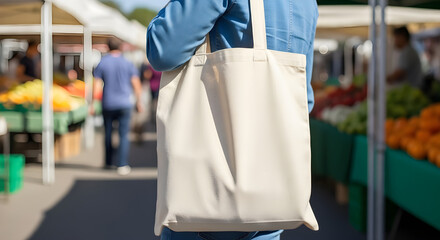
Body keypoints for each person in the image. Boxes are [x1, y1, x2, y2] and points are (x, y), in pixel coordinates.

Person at [147, 0, 318, 239]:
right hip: (272, 202)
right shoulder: (308, 3)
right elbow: (303, 100)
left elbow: (162, 49)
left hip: (209, 205)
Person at [92, 39, 143, 176]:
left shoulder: (103, 63)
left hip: (108, 103)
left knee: (108, 133)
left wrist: (92, 104)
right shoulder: (128, 63)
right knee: (123, 135)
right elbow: (136, 84)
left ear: (108, 47)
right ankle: (122, 164)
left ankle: (108, 162)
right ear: (120, 48)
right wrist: (139, 101)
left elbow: (96, 86)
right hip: (125, 103)